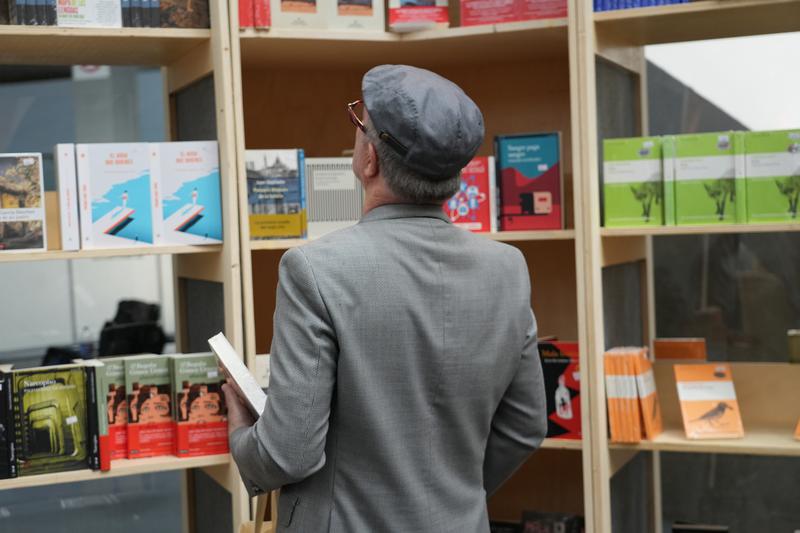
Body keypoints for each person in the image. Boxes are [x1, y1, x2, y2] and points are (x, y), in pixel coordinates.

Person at [223, 64, 547, 532]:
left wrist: (241, 431)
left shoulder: (314, 269)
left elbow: (287, 454)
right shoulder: (508, 268)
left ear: (369, 158)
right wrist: (451, 497)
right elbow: (525, 425)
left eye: (359, 124)